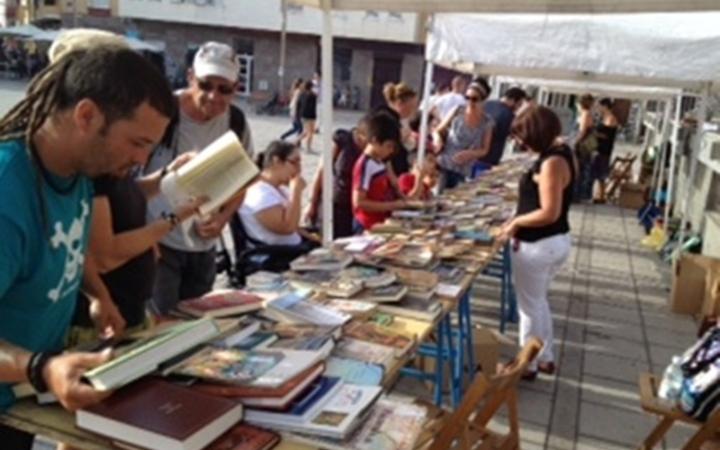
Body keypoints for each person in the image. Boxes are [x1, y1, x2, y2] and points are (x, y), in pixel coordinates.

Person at [0, 45, 175, 448]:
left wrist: (96, 294)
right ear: (86, 116)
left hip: (21, 399)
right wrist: (42, 368)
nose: (141, 160)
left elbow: (65, 248)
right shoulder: (9, 192)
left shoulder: (79, 172)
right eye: (137, 142)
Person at [144, 41, 253, 316]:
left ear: (236, 88)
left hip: (203, 245)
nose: (214, 96)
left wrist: (222, 219)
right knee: (161, 326)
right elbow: (129, 178)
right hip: (159, 243)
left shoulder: (236, 122)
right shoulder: (163, 111)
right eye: (205, 85)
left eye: (224, 89)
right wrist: (146, 240)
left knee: (196, 324)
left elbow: (244, 180)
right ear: (191, 77)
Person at [499, 106, 575, 380]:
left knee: (529, 307)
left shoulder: (552, 162)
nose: (520, 143)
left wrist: (517, 223)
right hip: (552, 242)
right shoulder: (560, 152)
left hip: (539, 245)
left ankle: (526, 365)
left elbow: (549, 211)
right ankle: (545, 358)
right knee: (538, 301)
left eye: (523, 137)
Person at [239, 141, 317, 249]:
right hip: (278, 255)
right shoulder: (259, 193)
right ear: (276, 161)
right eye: (294, 162)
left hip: (291, 249)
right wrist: (296, 191)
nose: (299, 169)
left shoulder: (276, 189)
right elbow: (287, 227)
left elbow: (293, 225)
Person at [305, 116, 369, 238]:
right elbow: (321, 171)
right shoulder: (342, 140)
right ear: (361, 135)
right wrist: (312, 203)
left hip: (354, 209)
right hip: (333, 203)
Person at [433, 81, 494, 190]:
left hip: (463, 170)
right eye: (467, 97)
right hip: (444, 164)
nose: (469, 102)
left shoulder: (487, 122)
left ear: (483, 101)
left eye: (474, 99)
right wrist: (438, 139)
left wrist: (471, 154)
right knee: (439, 198)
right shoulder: (458, 110)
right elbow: (437, 130)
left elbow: (485, 149)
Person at [352, 113, 408, 232]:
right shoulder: (365, 164)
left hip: (380, 221)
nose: (391, 151)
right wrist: (393, 205)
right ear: (374, 141)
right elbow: (359, 202)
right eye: (388, 146)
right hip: (367, 224)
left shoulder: (380, 161)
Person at [479, 87, 528, 168]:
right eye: (519, 104)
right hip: (489, 158)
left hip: (472, 154)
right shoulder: (508, 115)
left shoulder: (486, 104)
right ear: (512, 101)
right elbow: (514, 136)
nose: (518, 108)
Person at [380, 82, 419, 175]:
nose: (413, 111)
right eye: (411, 107)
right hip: (390, 169)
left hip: (401, 165)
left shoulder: (404, 120)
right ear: (400, 103)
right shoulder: (387, 119)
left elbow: (409, 145)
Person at [592, 98, 619, 203]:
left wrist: (595, 133)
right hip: (600, 148)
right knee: (598, 172)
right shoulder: (604, 118)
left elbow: (607, 135)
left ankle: (601, 196)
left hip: (604, 149)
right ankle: (599, 194)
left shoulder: (611, 119)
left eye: (600, 106)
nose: (599, 108)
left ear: (605, 106)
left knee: (601, 173)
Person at [574, 93, 596, 201]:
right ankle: (580, 193)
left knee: (580, 168)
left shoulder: (585, 114)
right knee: (582, 168)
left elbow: (582, 131)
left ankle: (577, 194)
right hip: (586, 146)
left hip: (583, 146)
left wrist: (574, 142)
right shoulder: (587, 114)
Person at [297, 80, 318, 153]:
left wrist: (298, 115)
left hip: (303, 115)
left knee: (306, 132)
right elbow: (313, 106)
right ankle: (308, 148)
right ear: (311, 87)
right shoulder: (313, 95)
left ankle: (295, 142)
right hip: (311, 116)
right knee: (310, 133)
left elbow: (298, 105)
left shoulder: (301, 94)